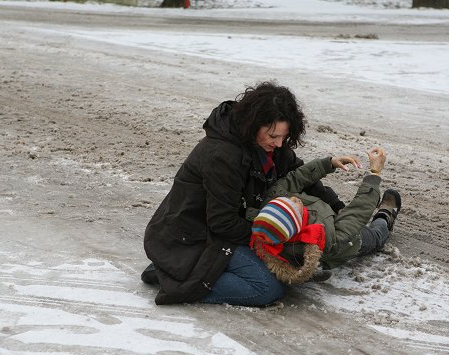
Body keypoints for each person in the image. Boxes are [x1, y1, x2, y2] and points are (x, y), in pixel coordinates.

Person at [141, 81, 344, 306]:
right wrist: (275, 241)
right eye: (273, 136)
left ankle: (182, 272)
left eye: (283, 137)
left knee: (293, 256)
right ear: (253, 124)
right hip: (191, 237)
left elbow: (299, 175)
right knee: (267, 288)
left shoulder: (269, 145)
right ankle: (178, 280)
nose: (279, 144)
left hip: (226, 230)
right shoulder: (223, 155)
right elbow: (222, 223)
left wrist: (337, 206)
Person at [249, 147, 402, 284]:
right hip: (346, 243)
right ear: (298, 223)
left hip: (327, 217)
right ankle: (386, 216)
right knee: (374, 236)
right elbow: (356, 214)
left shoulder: (273, 203)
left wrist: (329, 164)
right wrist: (374, 175)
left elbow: (296, 178)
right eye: (294, 205)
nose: (294, 198)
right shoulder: (324, 239)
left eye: (287, 199)